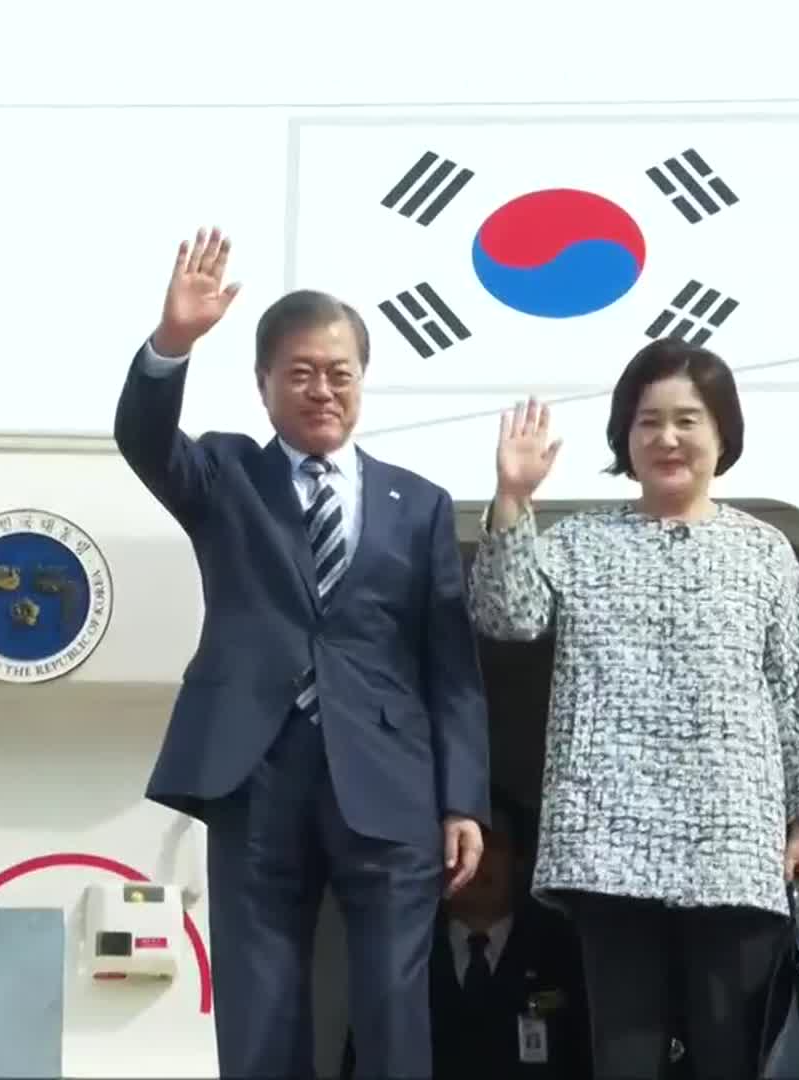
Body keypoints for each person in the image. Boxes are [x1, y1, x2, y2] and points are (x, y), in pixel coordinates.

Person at [114, 227, 491, 1079]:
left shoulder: (419, 503)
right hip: (258, 763)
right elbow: (143, 438)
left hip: (391, 775)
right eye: (300, 372)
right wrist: (172, 342)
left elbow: (451, 668)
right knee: (261, 995)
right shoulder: (226, 473)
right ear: (264, 385)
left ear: (361, 380)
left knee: (396, 1002)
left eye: (339, 372)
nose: (322, 389)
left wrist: (461, 799)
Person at [467, 338, 799, 1079]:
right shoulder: (578, 543)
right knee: (624, 1056)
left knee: (729, 1051)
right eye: (647, 422)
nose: (667, 438)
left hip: (735, 847)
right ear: (623, 438)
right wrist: (513, 497)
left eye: (688, 420)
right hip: (610, 847)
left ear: (722, 433)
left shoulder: (765, 553)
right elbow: (505, 614)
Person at [341, 791, 592, 1080]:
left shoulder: (557, 946)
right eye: (462, 844)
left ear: (518, 861)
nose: (478, 858)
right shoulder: (404, 948)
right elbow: (363, 1056)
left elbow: (579, 1057)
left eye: (493, 843)